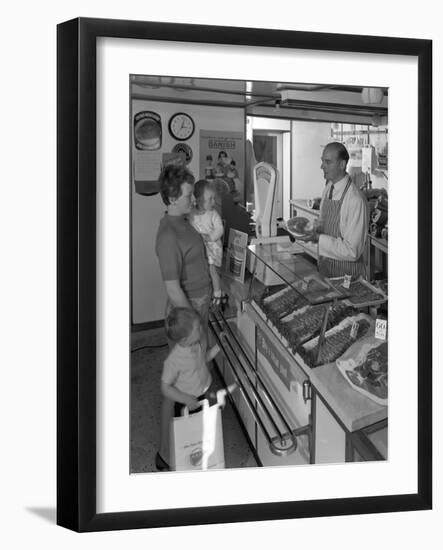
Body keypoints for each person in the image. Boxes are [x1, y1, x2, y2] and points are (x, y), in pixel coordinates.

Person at [155, 163, 212, 470]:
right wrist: (195, 330)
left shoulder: (183, 221)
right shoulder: (167, 234)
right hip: (186, 318)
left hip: (197, 309)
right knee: (177, 388)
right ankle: (166, 455)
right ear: (172, 197)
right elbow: (174, 288)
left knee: (190, 380)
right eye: (189, 194)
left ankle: (187, 447)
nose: (193, 199)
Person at [156, 307, 220, 471]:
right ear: (184, 339)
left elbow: (202, 360)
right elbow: (165, 387)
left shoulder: (196, 344)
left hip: (201, 394)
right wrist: (186, 399)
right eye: (197, 328)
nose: (201, 329)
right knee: (185, 435)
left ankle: (200, 459)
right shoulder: (175, 360)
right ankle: (182, 464)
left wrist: (219, 347)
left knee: (200, 429)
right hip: (186, 402)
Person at [301, 142, 368, 279]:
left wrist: (318, 238)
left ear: (342, 165)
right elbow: (325, 224)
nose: (322, 166)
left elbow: (352, 251)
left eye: (327, 162)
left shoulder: (355, 200)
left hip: (347, 278)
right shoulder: (328, 189)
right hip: (326, 271)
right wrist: (312, 229)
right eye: (322, 161)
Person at [190, 180, 228, 308]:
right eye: (210, 199)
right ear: (199, 200)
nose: (214, 202)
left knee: (212, 268)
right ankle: (210, 291)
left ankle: (218, 292)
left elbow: (220, 229)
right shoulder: (192, 213)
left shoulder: (213, 214)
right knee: (204, 270)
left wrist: (210, 237)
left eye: (214, 198)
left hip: (212, 247)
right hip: (200, 248)